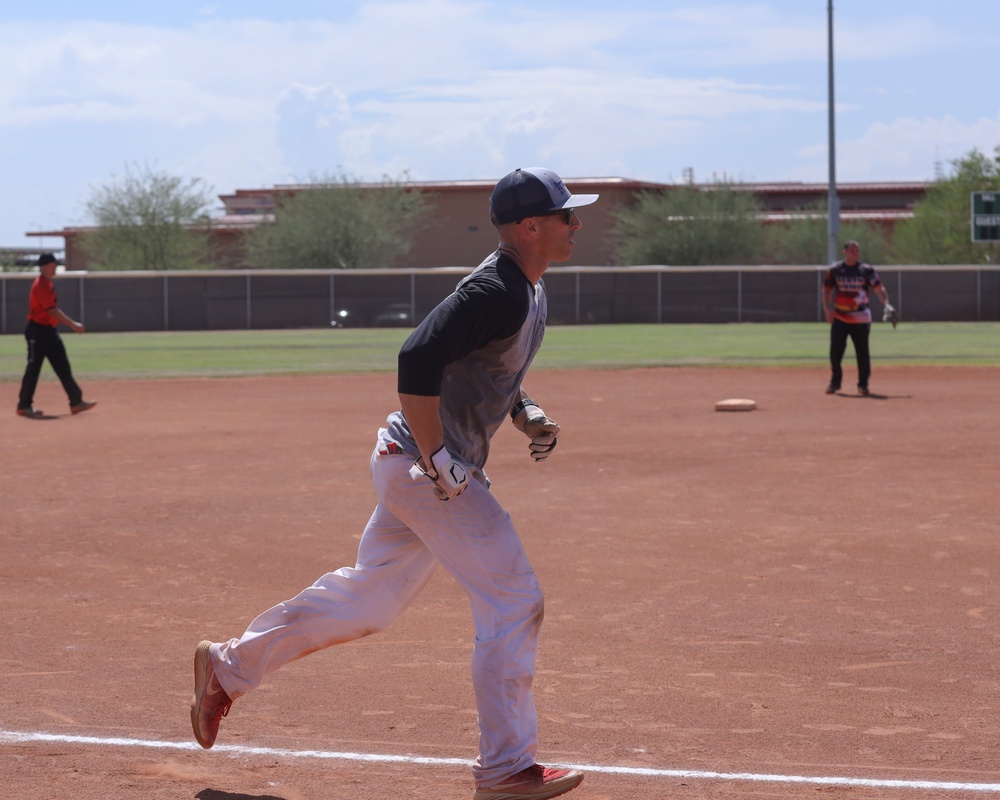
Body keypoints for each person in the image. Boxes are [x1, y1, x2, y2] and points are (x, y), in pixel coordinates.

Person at [190, 167, 597, 800]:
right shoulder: (497, 287)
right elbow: (416, 357)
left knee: (369, 602)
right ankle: (507, 769)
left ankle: (228, 666)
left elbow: (483, 364)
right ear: (530, 226)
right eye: (567, 214)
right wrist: (437, 457)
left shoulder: (529, 288)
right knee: (513, 599)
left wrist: (523, 412)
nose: (578, 224)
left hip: (416, 467)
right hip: (424, 470)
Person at [16, 253, 97, 418]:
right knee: (33, 369)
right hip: (37, 331)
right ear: (46, 266)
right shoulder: (40, 285)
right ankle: (24, 405)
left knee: (63, 367)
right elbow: (51, 310)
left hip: (49, 332)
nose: (55, 267)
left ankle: (76, 402)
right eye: (54, 264)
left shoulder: (47, 283)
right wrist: (73, 324)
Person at [822, 240, 895, 396]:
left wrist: (886, 304)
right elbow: (826, 289)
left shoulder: (866, 270)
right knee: (835, 351)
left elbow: (879, 288)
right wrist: (827, 309)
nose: (855, 253)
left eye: (857, 251)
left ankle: (863, 384)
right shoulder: (835, 270)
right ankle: (835, 382)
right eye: (852, 250)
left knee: (862, 352)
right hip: (840, 317)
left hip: (861, 318)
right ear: (845, 252)